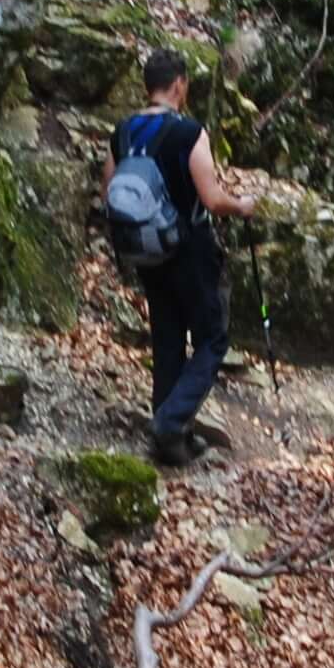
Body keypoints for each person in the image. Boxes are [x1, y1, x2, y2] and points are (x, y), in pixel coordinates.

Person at [113, 48, 254, 468]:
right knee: (212, 338)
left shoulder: (123, 131)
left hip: (145, 250)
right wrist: (242, 205)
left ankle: (170, 438)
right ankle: (171, 424)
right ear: (179, 84)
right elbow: (210, 198)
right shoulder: (189, 132)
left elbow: (111, 192)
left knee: (168, 338)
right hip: (189, 249)